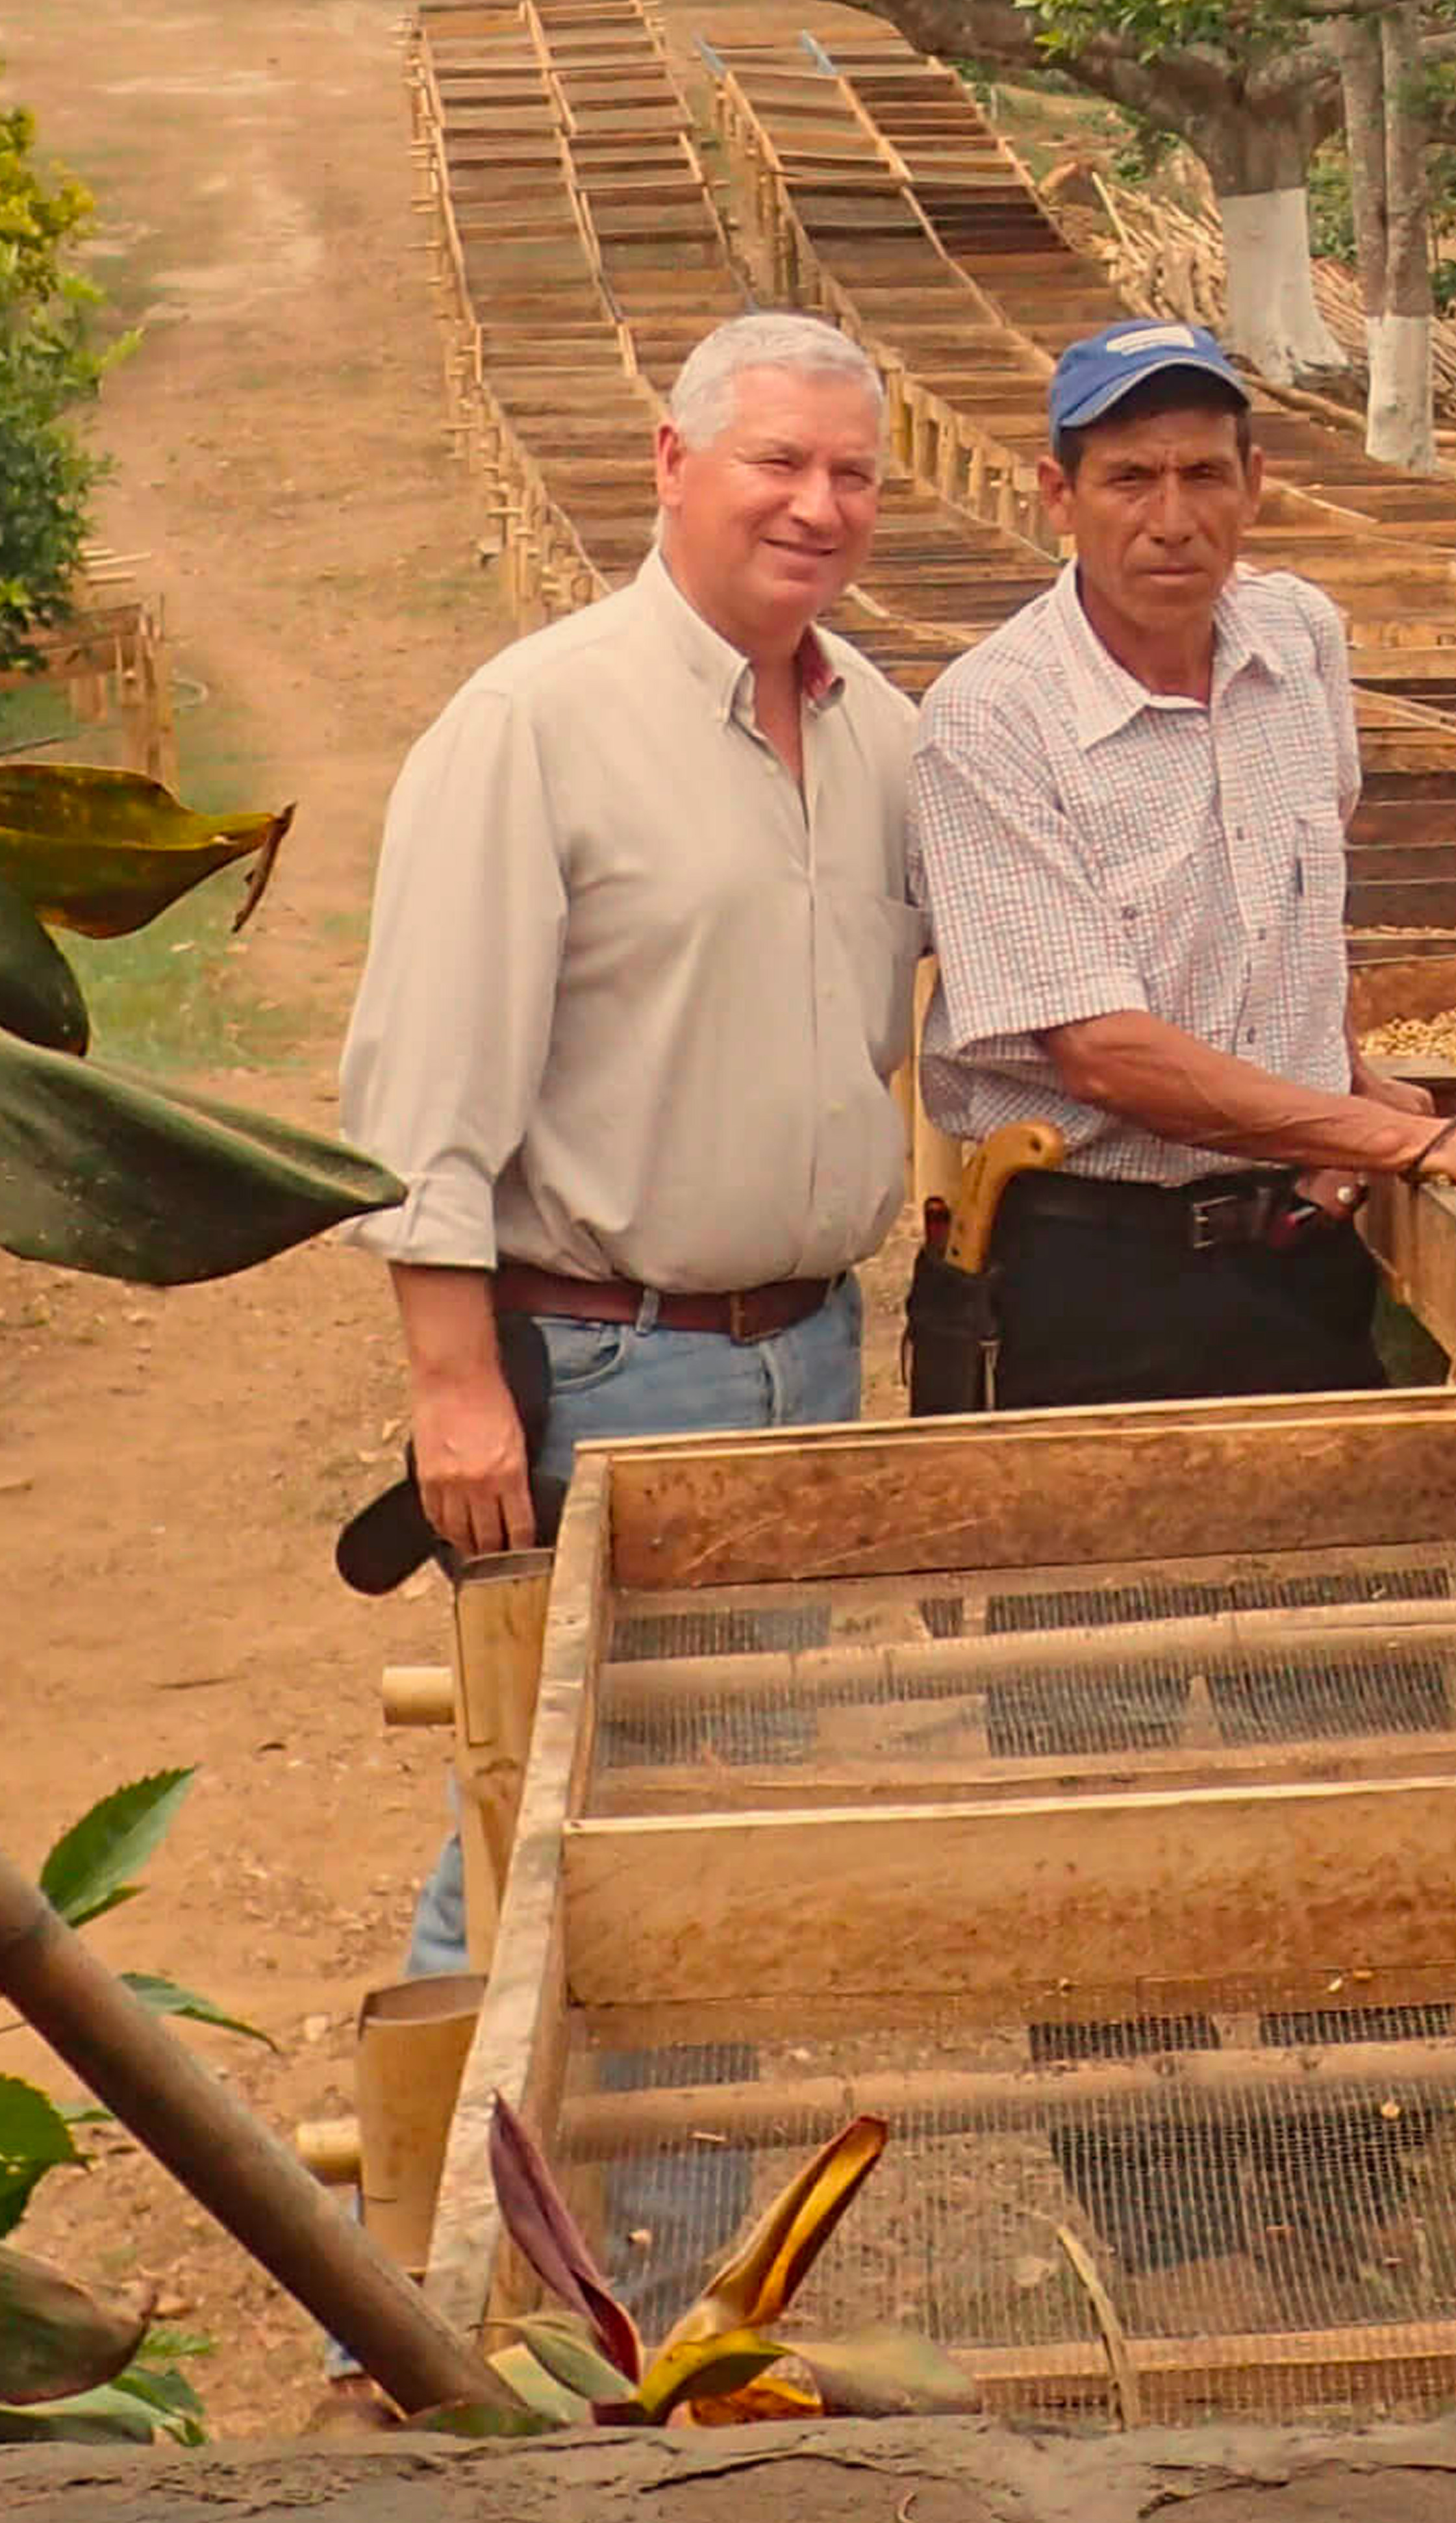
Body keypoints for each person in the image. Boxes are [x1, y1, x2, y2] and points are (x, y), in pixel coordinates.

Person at [907, 317, 1456, 2327]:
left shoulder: (1304, 651)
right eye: (1129, 482)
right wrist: (1404, 1135)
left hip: (1293, 1260)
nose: (1173, 521)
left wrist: (1368, 1149)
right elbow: (1099, 1046)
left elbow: (1311, 936)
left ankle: (1334, 2171)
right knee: (1098, 1732)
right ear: (1054, 497)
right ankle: (1168, 2225)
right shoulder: (990, 722)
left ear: (1256, 487)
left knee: (1336, 1699)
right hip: (1086, 1271)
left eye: (1206, 476)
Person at [337, 309, 921, 2323]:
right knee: (539, 1806)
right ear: (668, 462)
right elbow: (427, 1096)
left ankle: (651, 2266)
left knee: (718, 1804)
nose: (818, 507)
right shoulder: (539, 721)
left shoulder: (881, 730)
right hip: (603, 1350)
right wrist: (450, 1386)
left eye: (852, 475)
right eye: (777, 463)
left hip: (805, 1345)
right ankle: (421, 2287)